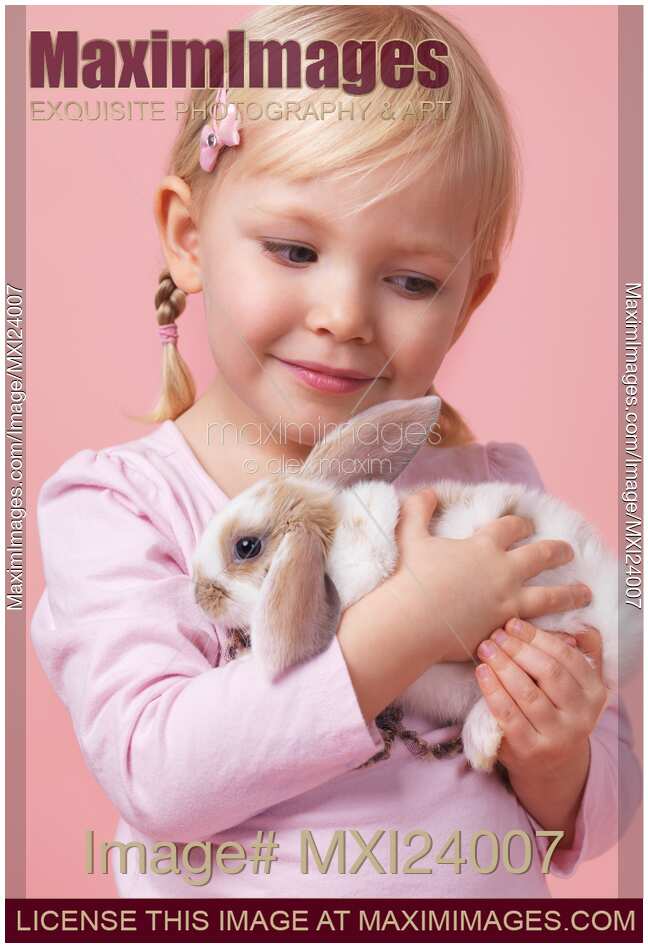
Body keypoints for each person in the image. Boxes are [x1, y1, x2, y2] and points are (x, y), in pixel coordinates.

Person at [31, 5, 640, 897]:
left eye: (411, 281)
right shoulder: (121, 508)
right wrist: (408, 625)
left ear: (467, 301)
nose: (346, 316)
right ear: (188, 239)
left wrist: (558, 750)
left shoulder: (490, 499)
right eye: (293, 249)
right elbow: (155, 772)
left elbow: (583, 820)